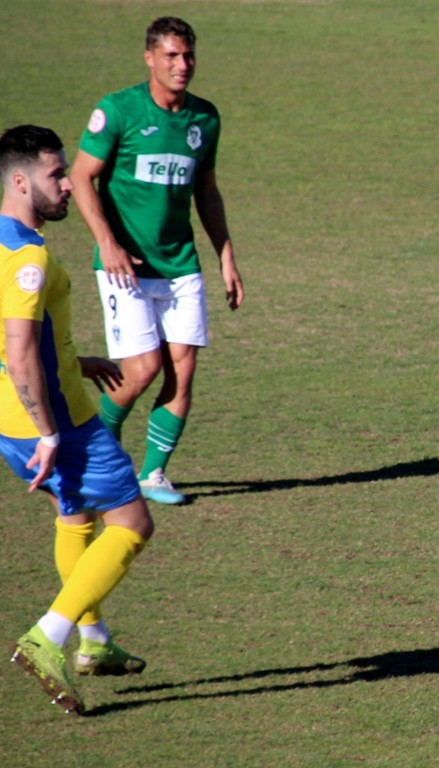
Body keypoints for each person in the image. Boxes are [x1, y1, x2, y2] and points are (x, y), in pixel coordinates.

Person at [2, 125, 156, 715]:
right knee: (133, 523)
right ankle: (48, 637)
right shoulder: (28, 257)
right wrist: (49, 432)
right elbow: (18, 350)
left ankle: (94, 643)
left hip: (12, 417)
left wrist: (75, 359)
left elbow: (18, 341)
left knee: (75, 515)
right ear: (20, 181)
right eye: (56, 175)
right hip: (57, 423)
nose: (69, 184)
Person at [69, 16, 244, 506]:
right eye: (170, 55)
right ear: (149, 58)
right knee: (141, 370)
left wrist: (226, 256)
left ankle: (152, 476)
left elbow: (206, 192)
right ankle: (91, 454)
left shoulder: (204, 119)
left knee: (182, 370)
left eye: (187, 55)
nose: (181, 65)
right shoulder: (119, 110)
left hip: (181, 264)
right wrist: (107, 241)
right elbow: (82, 177)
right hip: (125, 265)